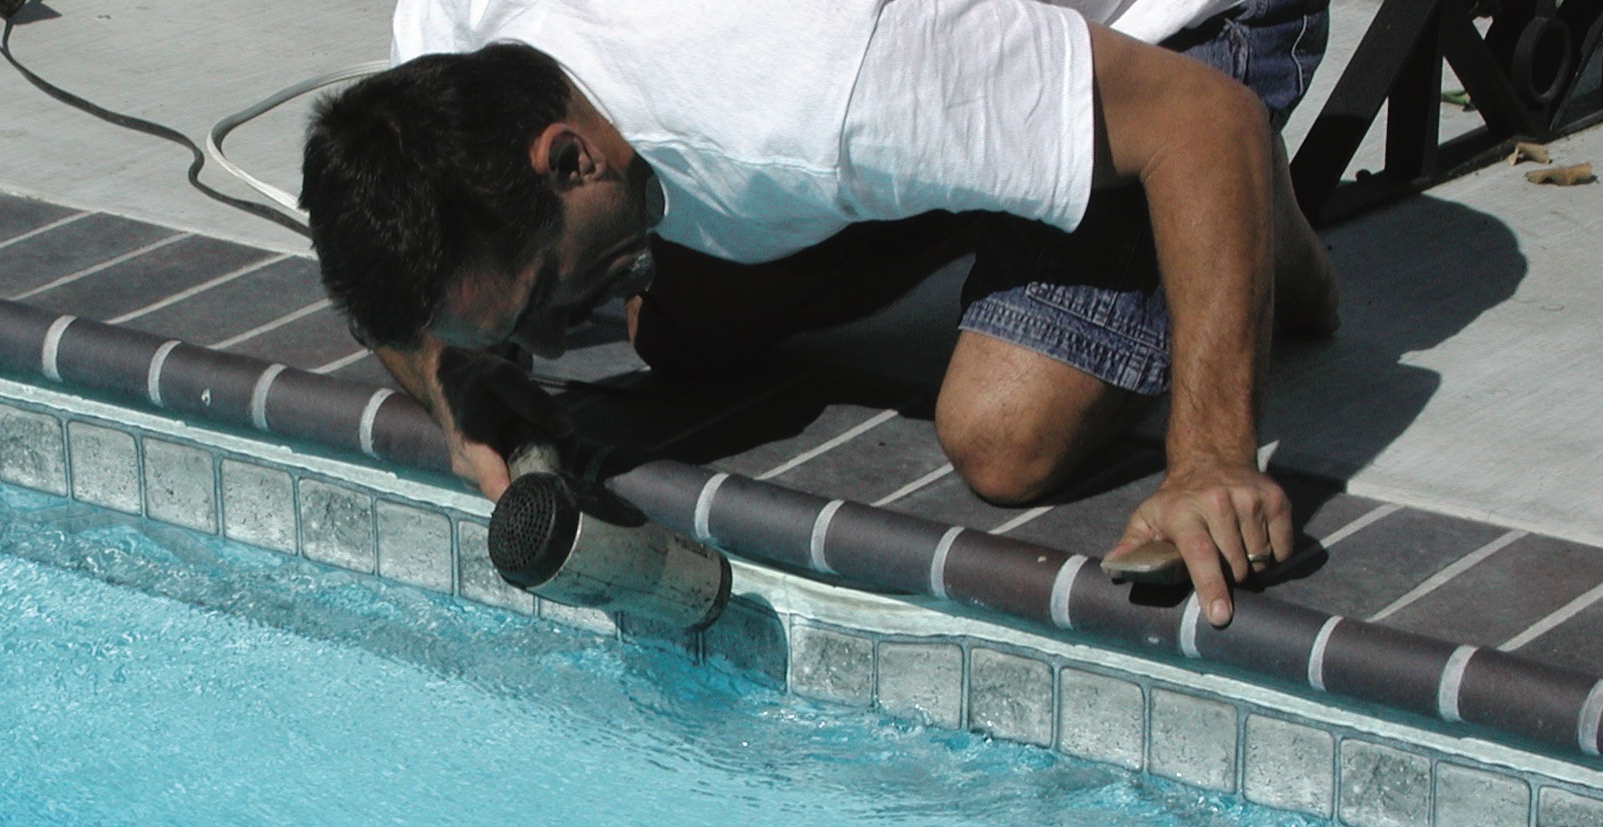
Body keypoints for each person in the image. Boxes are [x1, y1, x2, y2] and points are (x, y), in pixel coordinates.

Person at [300, 0, 1340, 626]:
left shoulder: (803, 90)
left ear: (571, 158)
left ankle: (1232, 207)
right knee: (682, 331)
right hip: (927, 66)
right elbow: (379, 261)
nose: (546, 345)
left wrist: (1210, 460)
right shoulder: (447, 50)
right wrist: (453, 379)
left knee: (1006, 437)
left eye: (535, 299)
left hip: (1173, 39)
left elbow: (1200, 121)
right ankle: (1044, 159)